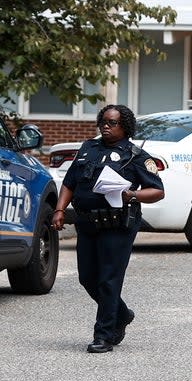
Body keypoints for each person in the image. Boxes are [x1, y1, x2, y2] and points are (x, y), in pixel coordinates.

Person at [51, 104, 164, 353]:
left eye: (112, 122)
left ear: (125, 127)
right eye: (103, 121)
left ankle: (103, 335)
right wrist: (60, 210)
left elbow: (157, 191)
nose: (105, 125)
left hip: (117, 225)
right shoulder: (88, 149)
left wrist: (132, 194)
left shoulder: (136, 156)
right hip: (87, 222)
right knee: (87, 278)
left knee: (109, 280)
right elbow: (70, 183)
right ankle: (121, 314)